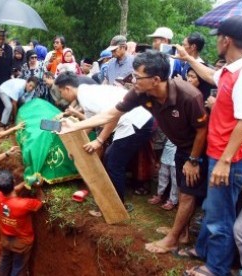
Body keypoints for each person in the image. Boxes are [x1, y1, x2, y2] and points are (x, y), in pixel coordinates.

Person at [58, 50, 208, 255]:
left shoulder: (189, 96)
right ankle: (182, 233)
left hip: (200, 149)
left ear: (156, 79)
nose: (133, 79)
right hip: (182, 146)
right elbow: (111, 114)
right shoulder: (140, 92)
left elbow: (202, 130)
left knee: (188, 193)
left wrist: (193, 159)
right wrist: (74, 128)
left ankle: (173, 239)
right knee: (184, 190)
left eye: (138, 76)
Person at [174, 16, 242, 276]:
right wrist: (188, 58)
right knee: (211, 208)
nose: (216, 40)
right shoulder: (231, 69)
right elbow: (210, 74)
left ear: (226, 40)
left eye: (218, 37)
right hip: (218, 153)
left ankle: (215, 268)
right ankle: (204, 250)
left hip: (230, 158)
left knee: (221, 217)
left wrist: (226, 162)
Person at [55, 72, 153, 209]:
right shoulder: (85, 94)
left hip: (136, 122)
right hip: (133, 120)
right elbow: (91, 122)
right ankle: (115, 202)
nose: (62, 96)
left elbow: (112, 117)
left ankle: (116, 206)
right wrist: (76, 147)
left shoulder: (86, 96)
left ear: (67, 89)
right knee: (111, 159)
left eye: (60, 92)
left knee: (113, 162)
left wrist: (99, 140)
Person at [0, 170, 44, 276]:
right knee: (18, 267)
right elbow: (41, 202)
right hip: (21, 243)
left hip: (6, 239)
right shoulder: (23, 204)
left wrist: (26, 182)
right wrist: (38, 186)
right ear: (13, 180)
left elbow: (13, 191)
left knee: (4, 261)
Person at [148, 139, 178, 210]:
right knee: (162, 175)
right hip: (167, 150)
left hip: (178, 150)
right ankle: (159, 195)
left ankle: (172, 201)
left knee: (175, 180)